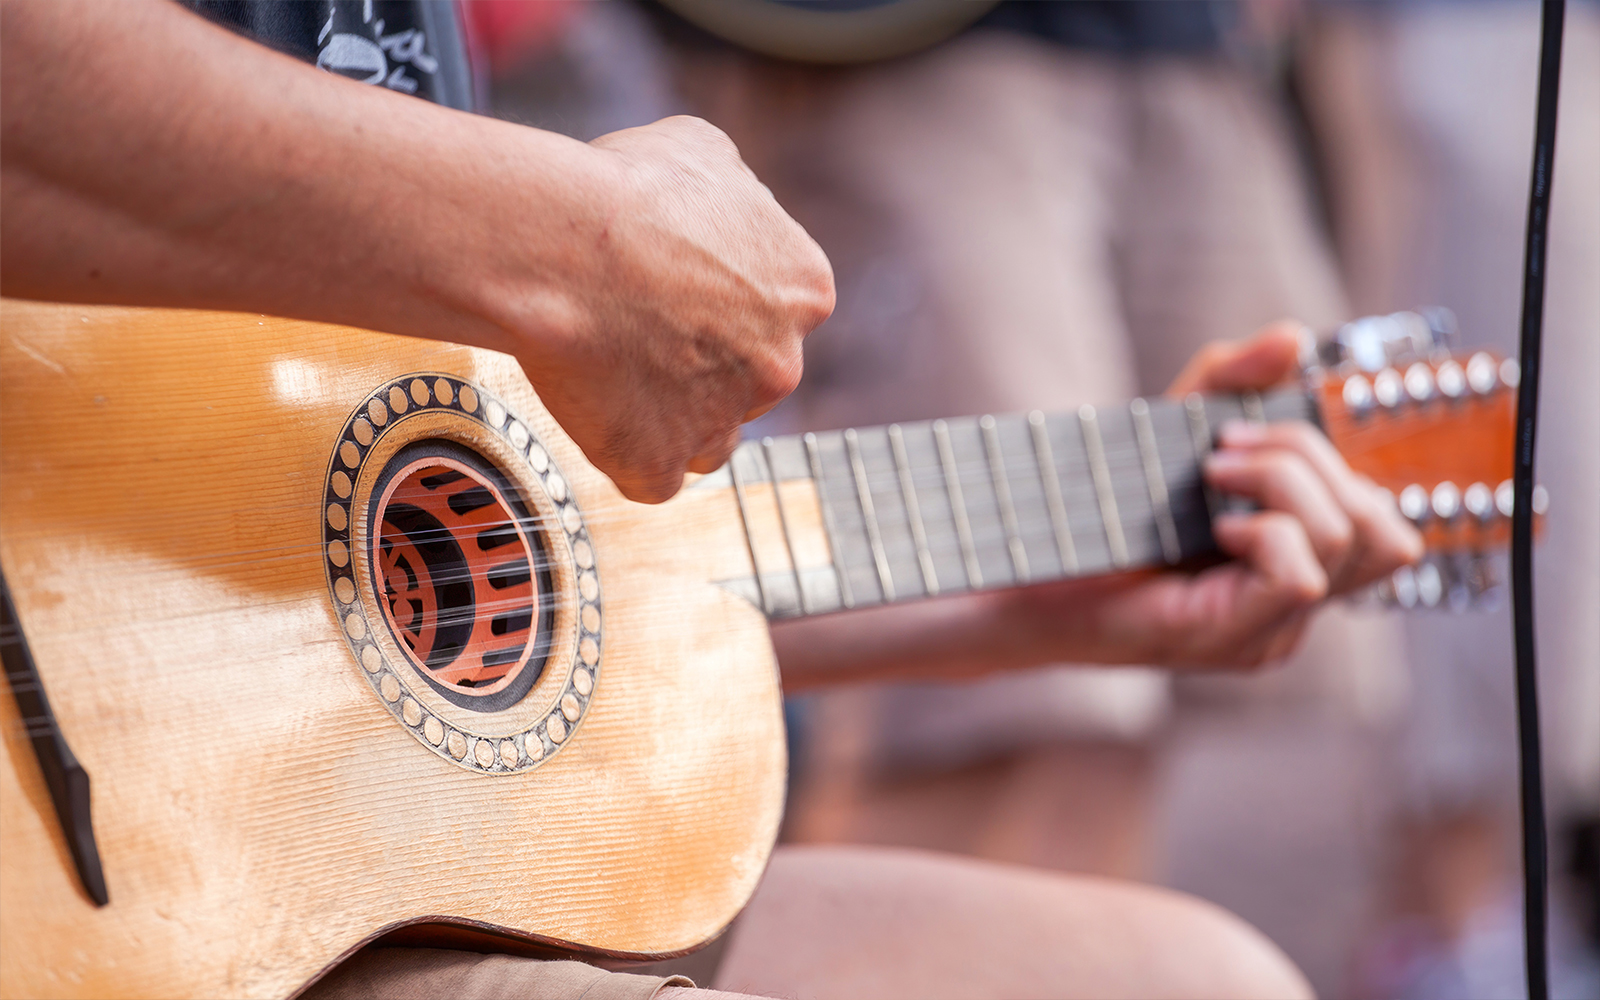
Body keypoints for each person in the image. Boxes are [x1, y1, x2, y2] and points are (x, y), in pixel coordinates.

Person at [0, 2, 1421, 997]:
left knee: (1194, 980)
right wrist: (572, 237)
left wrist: (1024, 602)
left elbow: (348, 582)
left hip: (246, 877)